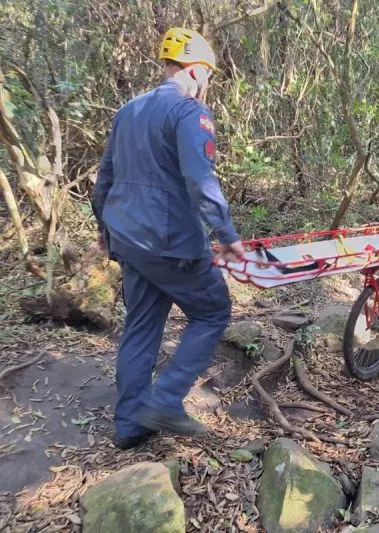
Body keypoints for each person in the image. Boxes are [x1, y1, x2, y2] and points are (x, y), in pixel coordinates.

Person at [92, 28, 245, 449]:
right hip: (170, 241)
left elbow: (104, 178)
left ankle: (129, 425)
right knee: (213, 311)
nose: (208, 84)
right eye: (209, 76)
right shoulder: (188, 111)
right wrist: (227, 234)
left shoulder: (128, 110)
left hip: (127, 236)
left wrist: (105, 233)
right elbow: (200, 179)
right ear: (196, 71)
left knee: (141, 326)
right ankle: (164, 400)